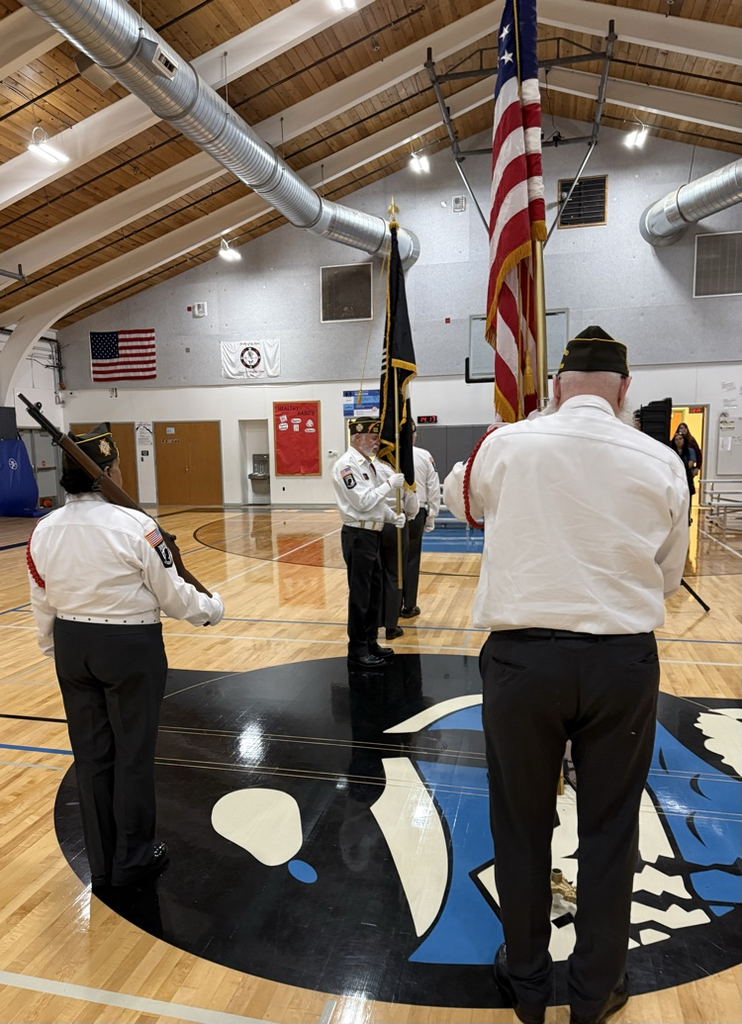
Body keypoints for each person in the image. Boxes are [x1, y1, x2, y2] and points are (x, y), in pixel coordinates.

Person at [443, 327, 689, 1024]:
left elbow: (465, 502)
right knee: (611, 830)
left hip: (525, 662)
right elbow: (667, 576)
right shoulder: (662, 460)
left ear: (556, 385)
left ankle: (526, 983)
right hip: (622, 661)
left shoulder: (507, 444)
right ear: (625, 388)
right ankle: (596, 990)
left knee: (520, 827)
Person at [27, 424, 225, 889]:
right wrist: (210, 609)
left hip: (72, 647)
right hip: (129, 647)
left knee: (92, 756)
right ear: (108, 470)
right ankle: (134, 855)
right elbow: (173, 597)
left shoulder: (44, 529)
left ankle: (102, 858)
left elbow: (41, 597)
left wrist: (55, 649)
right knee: (132, 753)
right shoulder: (137, 526)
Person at [331, 418, 405, 668]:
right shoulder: (346, 466)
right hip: (358, 535)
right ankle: (358, 648)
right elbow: (362, 502)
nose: (377, 443)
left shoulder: (368, 465)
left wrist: (392, 517)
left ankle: (371, 641)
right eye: (373, 438)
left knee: (375, 593)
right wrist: (387, 485)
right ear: (357, 438)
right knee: (361, 595)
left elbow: (375, 504)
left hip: (373, 534)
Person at [401, 422, 441, 619]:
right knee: (411, 559)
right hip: (418, 512)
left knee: (392, 561)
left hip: (393, 513)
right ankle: (409, 605)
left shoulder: (386, 456)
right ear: (413, 434)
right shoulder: (424, 455)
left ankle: (392, 604)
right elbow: (433, 486)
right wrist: (432, 514)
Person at [376, 457, 419, 640]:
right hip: (397, 523)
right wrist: (409, 516)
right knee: (395, 575)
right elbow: (411, 503)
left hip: (374, 524)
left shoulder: (370, 467)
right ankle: (391, 626)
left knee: (376, 576)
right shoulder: (401, 469)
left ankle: (375, 622)